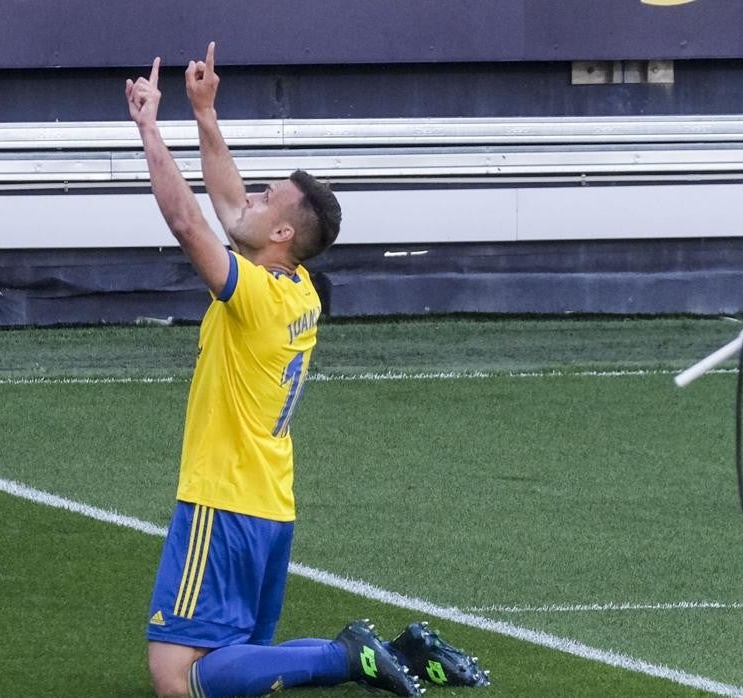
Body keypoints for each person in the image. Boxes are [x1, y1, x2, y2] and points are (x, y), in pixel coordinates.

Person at [125, 44, 490, 698]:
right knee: (237, 668)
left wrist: (150, 128)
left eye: (269, 197)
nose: (253, 198)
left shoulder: (259, 298)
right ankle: (399, 652)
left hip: (224, 499)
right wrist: (205, 114)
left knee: (176, 679)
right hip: (272, 504)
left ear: (283, 236)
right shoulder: (302, 292)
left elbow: (187, 220)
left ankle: (346, 655)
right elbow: (231, 207)